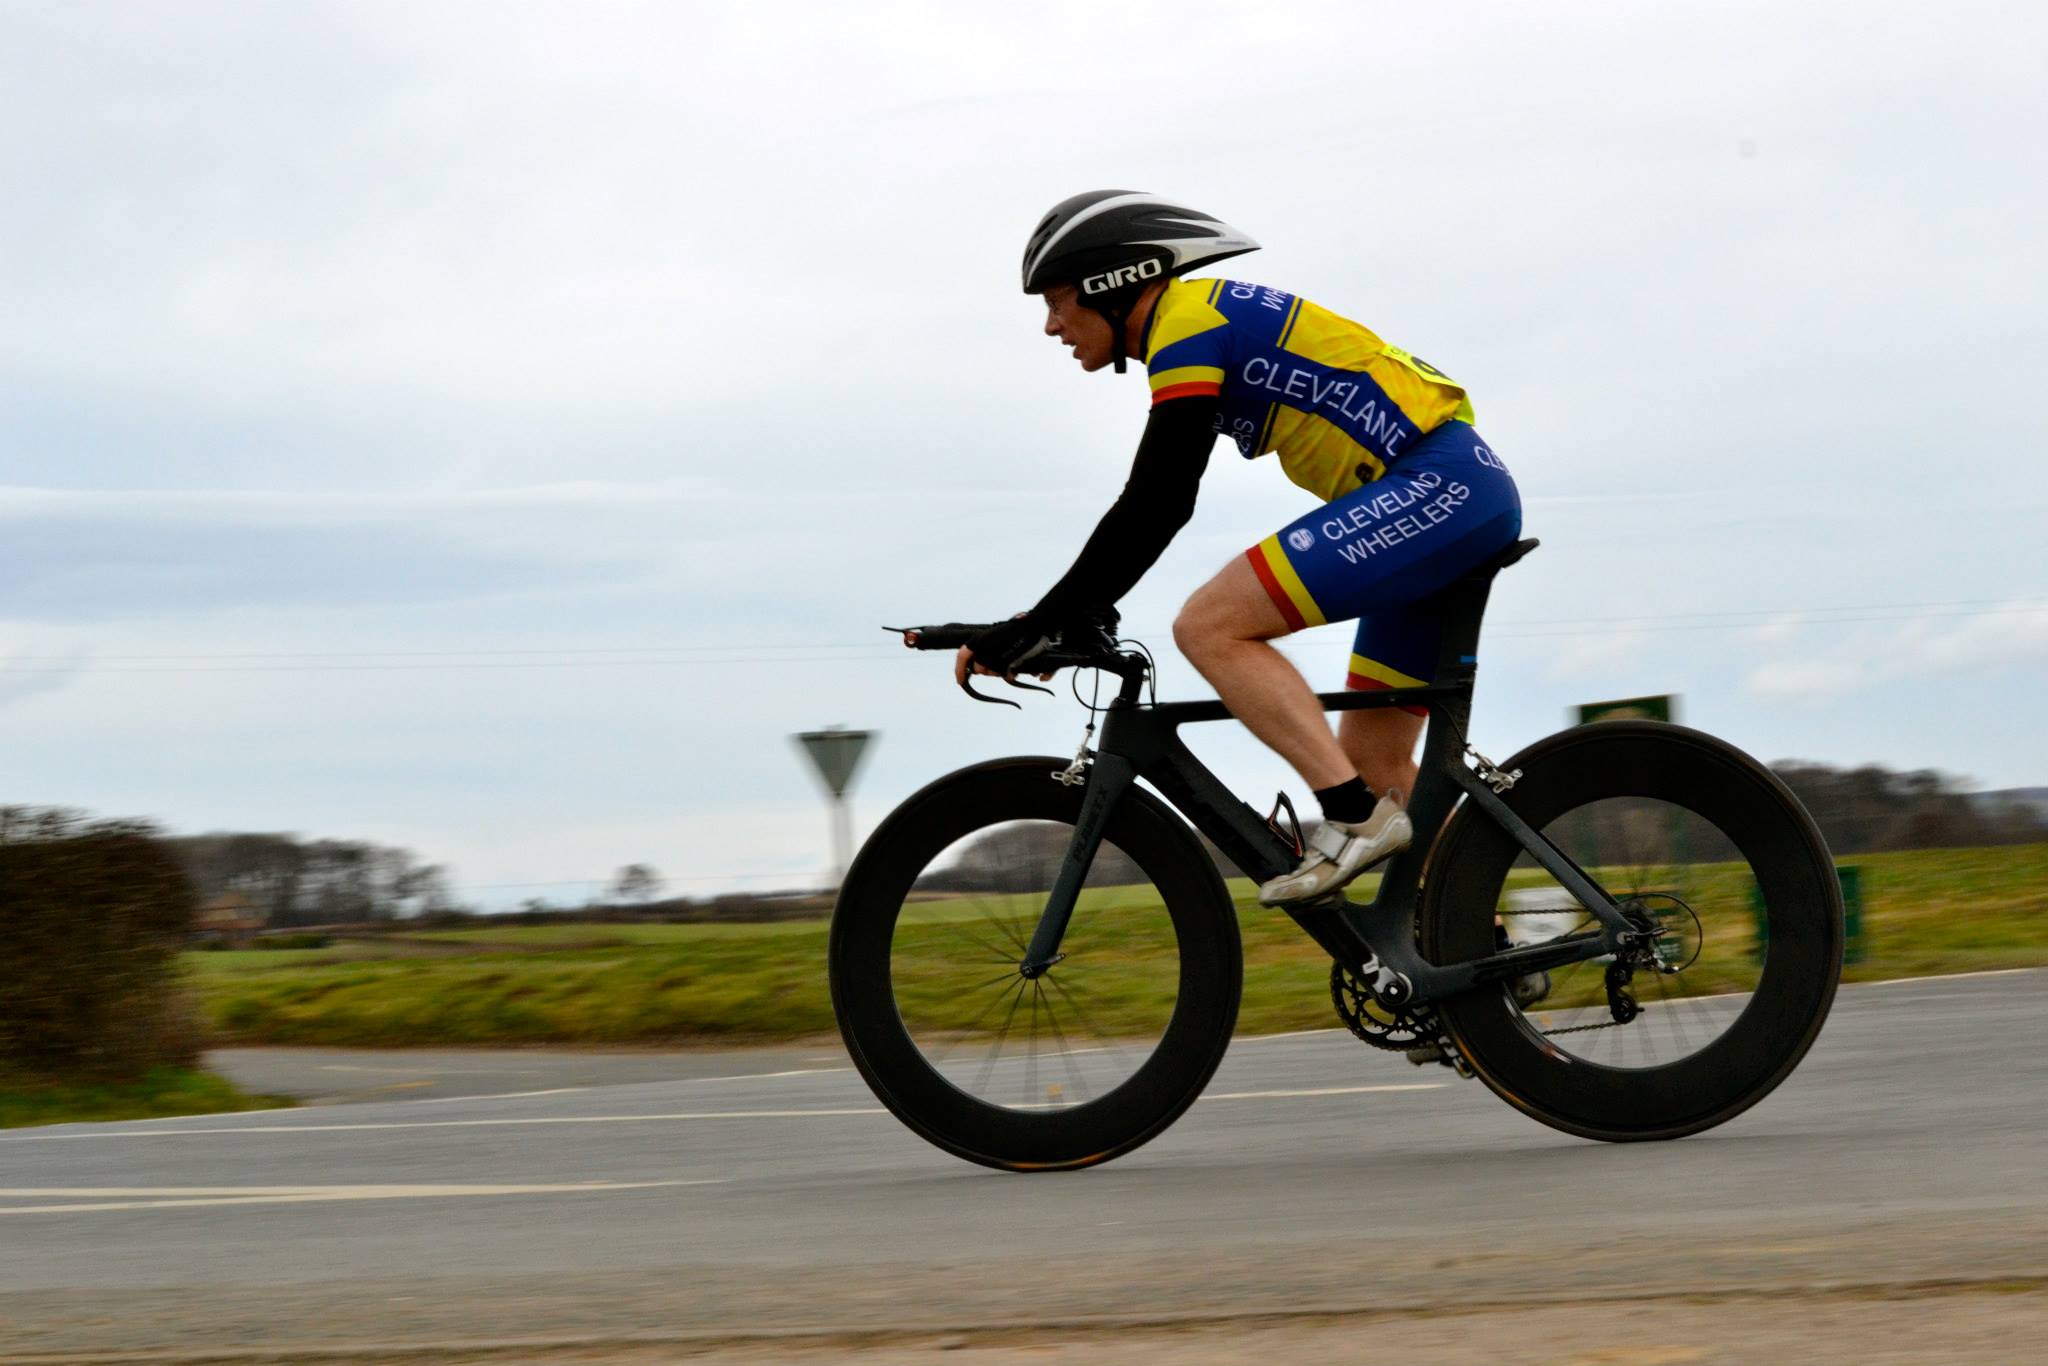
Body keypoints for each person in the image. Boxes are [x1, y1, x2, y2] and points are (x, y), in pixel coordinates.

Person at [960, 191, 1522, 906]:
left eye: (1057, 302)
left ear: (1110, 283)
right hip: (1449, 496)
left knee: (1210, 626)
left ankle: (1352, 819)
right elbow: (1158, 505)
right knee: (1378, 768)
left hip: (1439, 488)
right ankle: (1474, 944)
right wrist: (1066, 614)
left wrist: (1044, 619)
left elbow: (1159, 499)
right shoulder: (1198, 320)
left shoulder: (1188, 324)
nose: (1051, 325)